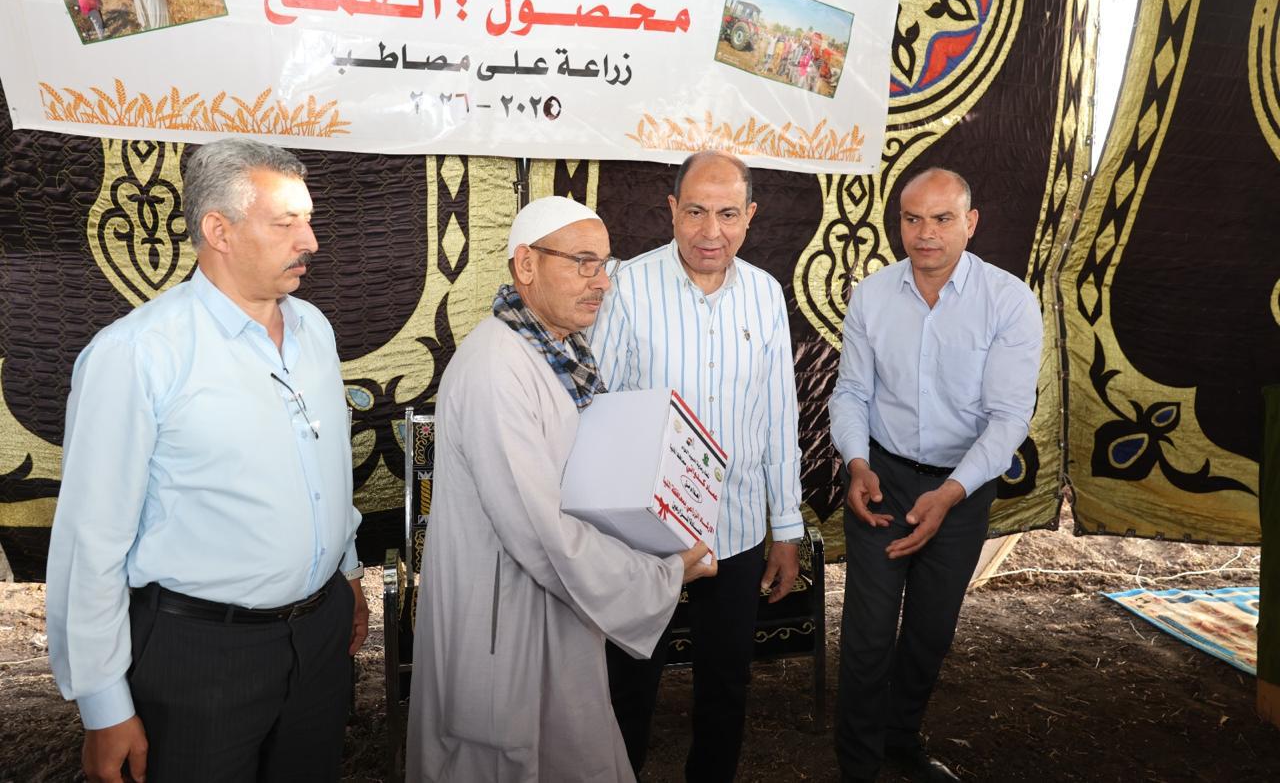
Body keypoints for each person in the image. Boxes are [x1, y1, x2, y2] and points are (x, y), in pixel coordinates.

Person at [46, 139, 368, 783]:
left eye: (308, 220)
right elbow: (91, 540)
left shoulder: (314, 329)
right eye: (286, 223)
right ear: (218, 231)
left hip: (319, 637)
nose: (310, 242)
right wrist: (103, 704)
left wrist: (347, 574)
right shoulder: (137, 354)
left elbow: (324, 468)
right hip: (200, 655)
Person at [406, 196, 717, 782]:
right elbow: (539, 530)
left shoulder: (559, 351)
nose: (601, 282)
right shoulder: (497, 367)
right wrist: (662, 574)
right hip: (504, 620)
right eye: (582, 263)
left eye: (605, 264)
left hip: (559, 602)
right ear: (526, 264)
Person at [589, 150, 804, 782]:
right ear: (671, 211)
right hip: (647, 533)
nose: (711, 231)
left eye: (728, 214)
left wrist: (787, 529)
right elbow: (598, 408)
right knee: (630, 679)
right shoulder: (628, 287)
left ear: (751, 215)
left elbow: (778, 416)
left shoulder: (765, 294)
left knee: (727, 684)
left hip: (737, 528)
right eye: (696, 212)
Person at [828, 168, 1042, 782]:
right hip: (883, 478)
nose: (926, 233)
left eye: (943, 219)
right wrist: (857, 463)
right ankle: (858, 765)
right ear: (899, 223)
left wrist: (949, 495)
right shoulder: (872, 296)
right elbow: (851, 393)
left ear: (970, 224)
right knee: (868, 634)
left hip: (962, 487)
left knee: (930, 631)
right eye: (912, 219)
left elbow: (1008, 418)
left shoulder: (1007, 300)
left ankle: (901, 742)